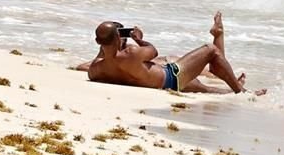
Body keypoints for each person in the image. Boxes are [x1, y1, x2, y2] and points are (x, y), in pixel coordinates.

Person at [86, 12, 255, 94]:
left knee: (210, 90)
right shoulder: (131, 53)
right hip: (172, 76)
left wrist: (106, 45)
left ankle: (232, 85)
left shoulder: (95, 70)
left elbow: (102, 58)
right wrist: (139, 39)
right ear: (118, 37)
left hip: (162, 84)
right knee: (210, 50)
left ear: (97, 43)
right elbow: (153, 51)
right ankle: (241, 91)